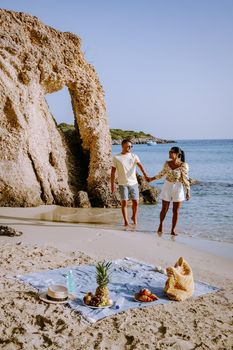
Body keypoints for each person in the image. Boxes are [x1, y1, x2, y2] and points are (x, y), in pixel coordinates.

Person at [147, 146, 190, 236]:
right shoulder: (167, 163)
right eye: (169, 152)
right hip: (167, 186)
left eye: (171, 152)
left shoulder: (183, 165)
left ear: (178, 154)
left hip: (178, 188)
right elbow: (162, 173)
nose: (169, 154)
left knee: (176, 211)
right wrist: (152, 179)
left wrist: (188, 191)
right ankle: (160, 225)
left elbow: (185, 179)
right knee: (164, 209)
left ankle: (173, 230)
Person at [111, 139, 149, 226]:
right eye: (128, 146)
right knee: (124, 202)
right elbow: (112, 172)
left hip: (134, 183)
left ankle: (134, 218)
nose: (130, 147)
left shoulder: (134, 156)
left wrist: (145, 174)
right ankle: (126, 221)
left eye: (131, 146)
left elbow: (140, 166)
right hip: (122, 183)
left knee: (135, 202)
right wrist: (112, 185)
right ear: (123, 146)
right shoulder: (116, 157)